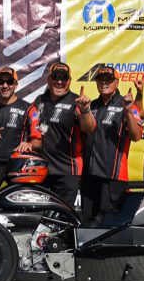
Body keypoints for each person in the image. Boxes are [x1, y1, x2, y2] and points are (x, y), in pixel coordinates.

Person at [80, 66, 142, 222]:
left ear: (117, 82)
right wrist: (85, 110)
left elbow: (137, 136)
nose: (104, 83)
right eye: (101, 80)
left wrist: (127, 111)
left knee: (109, 225)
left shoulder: (127, 105)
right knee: (88, 222)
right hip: (89, 176)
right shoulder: (91, 105)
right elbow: (86, 130)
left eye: (109, 80)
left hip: (113, 177)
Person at [29, 62, 96, 208]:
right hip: (41, 170)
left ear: (69, 81)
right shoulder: (39, 100)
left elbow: (89, 128)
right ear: (48, 79)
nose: (59, 81)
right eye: (55, 76)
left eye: (64, 78)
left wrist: (85, 110)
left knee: (62, 216)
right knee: (39, 214)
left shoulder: (76, 101)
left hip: (66, 171)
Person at [0, 67, 42, 195]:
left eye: (9, 82)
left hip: (15, 167)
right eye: (1, 82)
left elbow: (39, 142)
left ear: (15, 85)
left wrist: (29, 144)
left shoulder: (28, 109)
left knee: (13, 209)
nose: (5, 85)